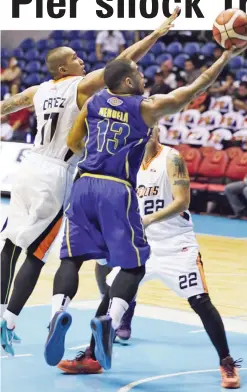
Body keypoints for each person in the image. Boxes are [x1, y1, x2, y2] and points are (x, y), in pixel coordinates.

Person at [43, 38, 247, 374]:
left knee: (75, 258)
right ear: (128, 82)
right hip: (117, 193)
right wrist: (226, 56)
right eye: (139, 73)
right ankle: (104, 333)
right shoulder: (144, 110)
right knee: (126, 274)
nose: (144, 77)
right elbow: (196, 87)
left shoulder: (98, 103)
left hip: (93, 191)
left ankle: (59, 314)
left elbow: (73, 142)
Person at [0, 14, 177, 357]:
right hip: (55, 172)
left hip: (26, 168)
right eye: (75, 60)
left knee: (9, 243)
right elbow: (123, 62)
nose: (82, 61)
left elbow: (8, 105)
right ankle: (8, 322)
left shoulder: (38, 91)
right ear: (63, 70)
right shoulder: (79, 86)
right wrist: (156, 32)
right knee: (37, 252)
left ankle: (1, 312)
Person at [58, 127, 242, 389]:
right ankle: (92, 357)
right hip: (142, 245)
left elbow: (182, 201)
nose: (147, 134)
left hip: (176, 244)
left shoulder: (172, 158)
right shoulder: (125, 164)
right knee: (111, 294)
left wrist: (147, 220)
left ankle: (227, 361)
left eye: (151, 130)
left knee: (200, 301)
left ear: (158, 132)